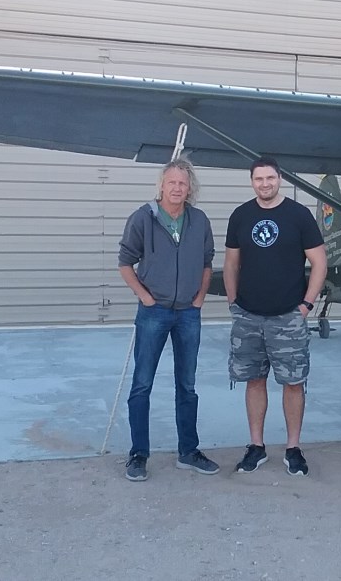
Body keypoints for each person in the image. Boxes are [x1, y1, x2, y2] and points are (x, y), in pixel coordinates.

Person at [223, 156, 327, 476]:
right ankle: (256, 446)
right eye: (259, 179)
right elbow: (230, 264)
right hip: (249, 316)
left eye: (270, 178)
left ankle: (293, 448)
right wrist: (233, 304)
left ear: (279, 179)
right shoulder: (241, 216)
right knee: (254, 381)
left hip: (287, 317)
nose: (265, 184)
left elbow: (320, 263)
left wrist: (306, 305)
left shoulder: (299, 216)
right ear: (251, 181)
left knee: (293, 383)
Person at [117, 158, 218, 482]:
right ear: (161, 185)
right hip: (154, 312)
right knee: (142, 384)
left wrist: (200, 298)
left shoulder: (199, 220)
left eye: (183, 184)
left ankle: (188, 451)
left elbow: (206, 263)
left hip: (188, 313)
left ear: (190, 189)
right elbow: (124, 263)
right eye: (172, 182)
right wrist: (145, 297)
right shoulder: (143, 218)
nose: (177, 188)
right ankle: (138, 454)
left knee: (187, 385)